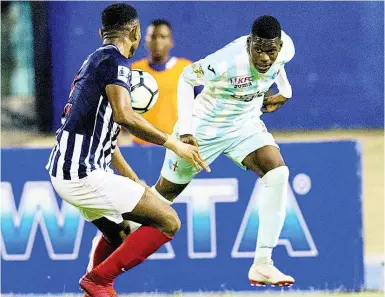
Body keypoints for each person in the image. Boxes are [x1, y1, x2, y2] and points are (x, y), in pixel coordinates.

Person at [45, 3, 209, 297]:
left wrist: (132, 179)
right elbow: (125, 117)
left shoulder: (94, 61)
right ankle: (97, 282)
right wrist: (175, 145)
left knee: (118, 234)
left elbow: (108, 135)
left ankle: (93, 288)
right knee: (168, 221)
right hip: (83, 174)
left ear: (101, 33)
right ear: (135, 32)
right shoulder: (117, 62)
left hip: (66, 170)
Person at [153, 15, 296, 287]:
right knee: (161, 199)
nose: (265, 58)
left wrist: (285, 92)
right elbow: (185, 79)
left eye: (271, 50)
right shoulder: (226, 60)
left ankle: (263, 263)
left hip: (244, 125)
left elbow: (280, 66)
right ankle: (115, 232)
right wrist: (186, 132)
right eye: (259, 49)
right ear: (249, 43)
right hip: (203, 129)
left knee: (277, 171)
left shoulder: (286, 48)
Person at [130, 19, 195, 145]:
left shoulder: (186, 69)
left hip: (177, 146)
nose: (158, 41)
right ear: (145, 41)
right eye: (153, 37)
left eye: (163, 37)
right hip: (141, 147)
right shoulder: (134, 71)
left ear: (171, 42)